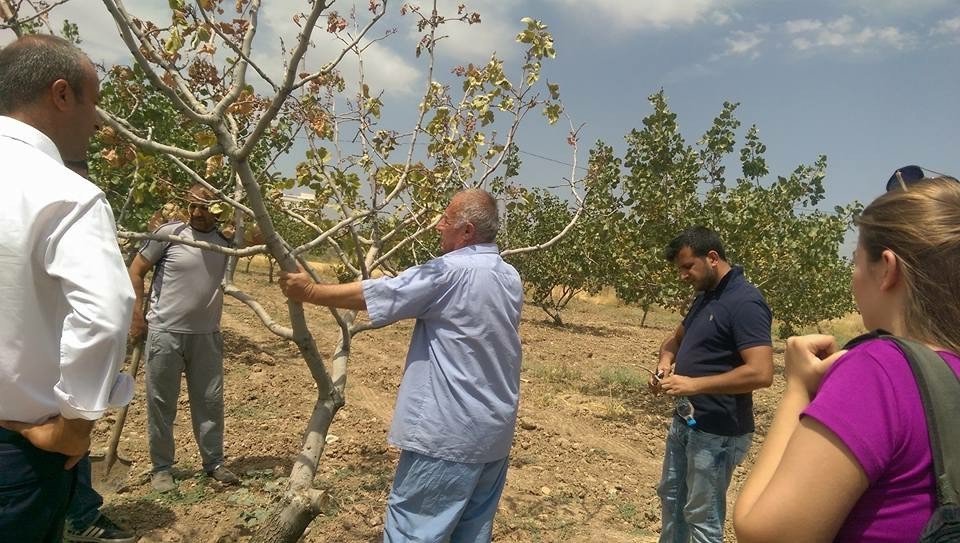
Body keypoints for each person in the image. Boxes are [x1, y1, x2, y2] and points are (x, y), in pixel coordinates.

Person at [279, 189, 523, 542]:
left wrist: (311, 292)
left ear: (467, 231)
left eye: (447, 219)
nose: (439, 225)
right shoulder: (509, 276)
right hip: (493, 436)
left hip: (447, 437)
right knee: (469, 533)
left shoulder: (449, 272)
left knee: (413, 531)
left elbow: (381, 293)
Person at [734, 176, 960, 542]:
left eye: (856, 262)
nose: (853, 277)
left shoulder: (878, 371)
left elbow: (763, 534)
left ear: (887, 269)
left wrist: (798, 388)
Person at [0, 35, 135, 541]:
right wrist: (77, 421)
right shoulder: (65, 193)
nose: (96, 121)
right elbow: (105, 311)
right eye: (93, 102)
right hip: (18, 452)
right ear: (61, 95)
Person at [649, 226, 774, 543]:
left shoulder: (745, 302)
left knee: (702, 518)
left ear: (713, 258)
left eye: (687, 266)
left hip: (718, 432)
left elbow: (761, 373)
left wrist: (694, 385)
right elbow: (673, 341)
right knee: (672, 500)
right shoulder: (706, 297)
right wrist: (665, 365)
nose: (682, 276)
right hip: (685, 422)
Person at [128, 183, 239, 492]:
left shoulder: (225, 242)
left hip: (206, 337)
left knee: (210, 402)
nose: (196, 212)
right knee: (161, 403)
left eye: (203, 207)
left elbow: (260, 234)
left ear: (218, 208)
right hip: (165, 334)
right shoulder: (169, 234)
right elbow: (136, 271)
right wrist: (137, 315)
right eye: (192, 206)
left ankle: (213, 462)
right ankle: (162, 468)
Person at [61, 160, 136, 543]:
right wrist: (80, 422)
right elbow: (105, 315)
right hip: (58, 368)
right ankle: (79, 518)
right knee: (65, 445)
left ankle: (76, 513)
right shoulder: (75, 208)